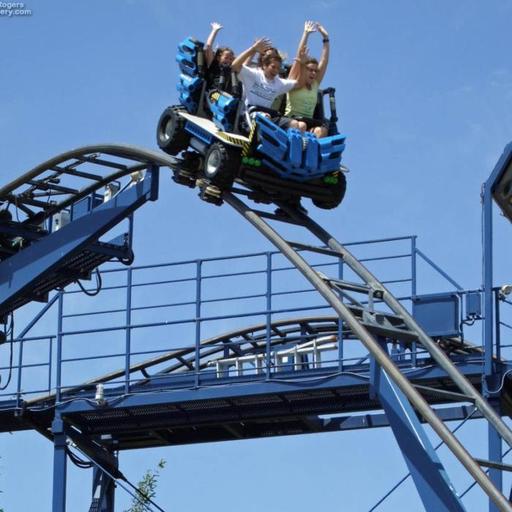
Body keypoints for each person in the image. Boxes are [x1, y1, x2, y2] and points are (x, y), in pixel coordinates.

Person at [230, 38, 303, 129]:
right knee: (265, 118)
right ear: (264, 65)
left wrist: (301, 62)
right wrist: (253, 49)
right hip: (248, 115)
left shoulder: (279, 83)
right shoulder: (254, 74)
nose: (275, 71)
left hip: (267, 116)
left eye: (278, 68)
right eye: (273, 67)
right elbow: (234, 66)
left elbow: (298, 84)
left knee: (295, 124)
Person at [285, 21, 331, 138]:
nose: (313, 73)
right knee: (301, 126)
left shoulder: (315, 83)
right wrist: (305, 34)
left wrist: (326, 38)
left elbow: (324, 61)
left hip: (309, 122)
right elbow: (300, 56)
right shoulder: (294, 80)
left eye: (315, 71)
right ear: (304, 69)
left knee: (321, 131)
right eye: (310, 70)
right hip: (292, 121)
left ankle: (309, 148)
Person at [203, 22, 235, 92]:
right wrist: (214, 30)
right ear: (218, 58)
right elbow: (208, 46)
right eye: (226, 58)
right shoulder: (213, 65)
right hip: (210, 94)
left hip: (224, 96)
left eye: (231, 59)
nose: (228, 61)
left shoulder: (231, 70)